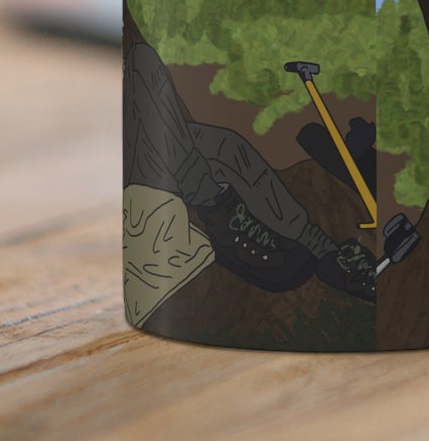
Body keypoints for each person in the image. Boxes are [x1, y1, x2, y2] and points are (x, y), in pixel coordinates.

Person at [124, 40, 375, 302]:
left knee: (226, 146)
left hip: (143, 147)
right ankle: (213, 204)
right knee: (143, 63)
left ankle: (325, 252)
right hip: (142, 173)